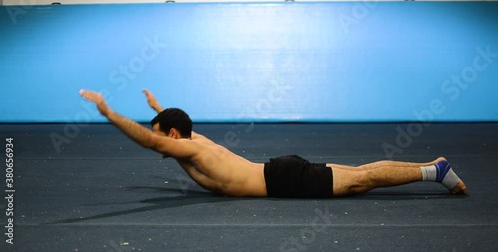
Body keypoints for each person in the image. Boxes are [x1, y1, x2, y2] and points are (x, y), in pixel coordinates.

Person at [79, 89, 467, 198]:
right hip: (279, 170)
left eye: (163, 131)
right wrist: (159, 108)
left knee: (365, 181)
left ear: (173, 136)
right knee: (363, 175)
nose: (162, 141)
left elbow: (152, 141)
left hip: (282, 180)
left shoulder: (189, 148)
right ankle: (434, 169)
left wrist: (109, 113)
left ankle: (435, 171)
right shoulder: (196, 140)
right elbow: (172, 129)